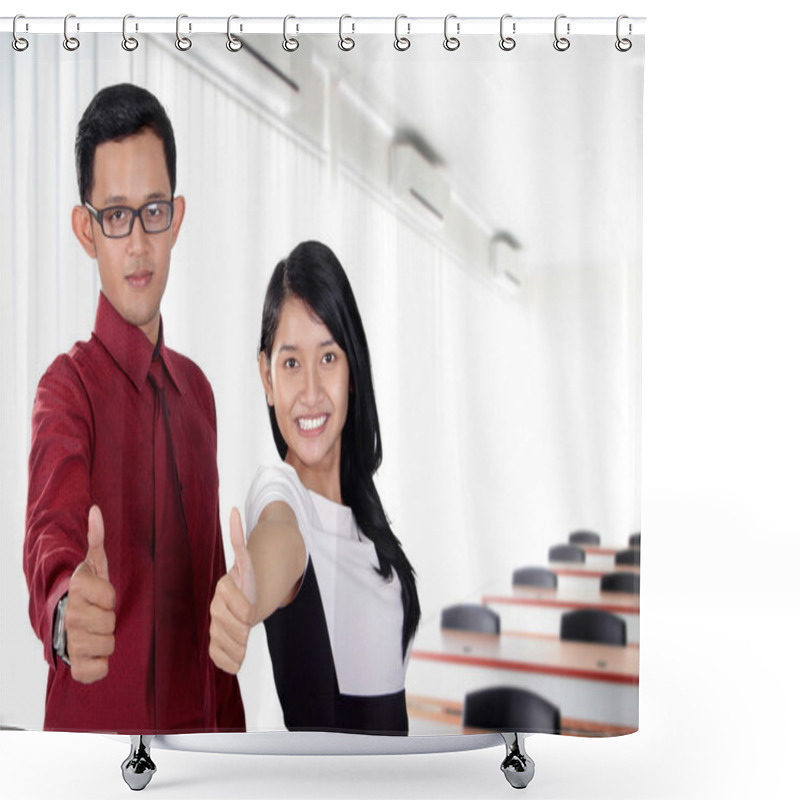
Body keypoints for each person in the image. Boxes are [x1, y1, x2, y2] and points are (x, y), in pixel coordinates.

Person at [23, 83, 245, 734]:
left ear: (177, 217)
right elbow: (49, 541)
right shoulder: (65, 391)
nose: (139, 244)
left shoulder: (200, 393)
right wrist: (66, 613)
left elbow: (214, 594)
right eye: (115, 216)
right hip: (97, 765)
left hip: (208, 760)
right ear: (86, 230)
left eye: (151, 211)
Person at [209, 241, 420, 734]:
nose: (309, 392)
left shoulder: (365, 513)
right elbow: (276, 538)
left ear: (352, 370)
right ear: (266, 377)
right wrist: (245, 594)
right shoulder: (282, 496)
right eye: (290, 364)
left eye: (327, 358)